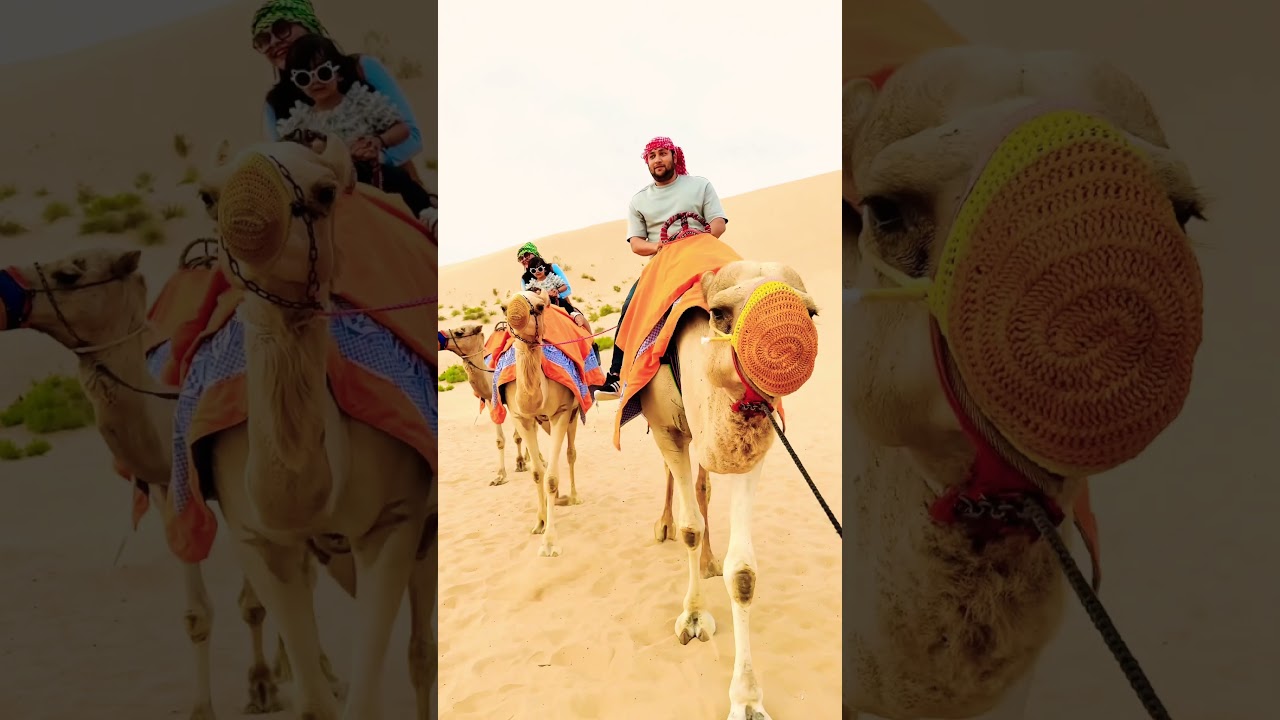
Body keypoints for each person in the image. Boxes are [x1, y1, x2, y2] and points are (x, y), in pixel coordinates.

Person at [250, 0, 437, 230]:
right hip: (329, 213)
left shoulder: (362, 68)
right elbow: (284, 168)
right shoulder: (275, 104)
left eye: (281, 29)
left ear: (307, 23)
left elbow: (412, 136)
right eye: (263, 39)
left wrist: (372, 157)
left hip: (394, 195)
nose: (274, 42)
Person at [593, 136, 728, 402]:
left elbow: (718, 224)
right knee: (630, 306)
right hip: (665, 262)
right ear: (647, 162)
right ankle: (617, 376)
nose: (658, 160)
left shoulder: (700, 185)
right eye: (652, 156)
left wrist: (694, 237)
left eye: (663, 153)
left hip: (703, 253)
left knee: (742, 284)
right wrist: (661, 245)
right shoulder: (639, 200)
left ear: (674, 156)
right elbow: (636, 243)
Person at [275, 33, 435, 219]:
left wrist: (378, 141)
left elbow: (402, 129)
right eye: (304, 78)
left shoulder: (361, 102)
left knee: (399, 179)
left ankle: (429, 216)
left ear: (338, 73)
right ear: (296, 83)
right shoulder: (300, 122)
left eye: (323, 73)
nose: (315, 81)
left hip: (375, 179)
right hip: (331, 193)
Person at [522, 254, 589, 329]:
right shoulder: (531, 284)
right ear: (531, 272)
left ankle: (574, 315)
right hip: (542, 307)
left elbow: (565, 286)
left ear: (544, 268)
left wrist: (557, 291)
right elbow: (528, 295)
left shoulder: (552, 277)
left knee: (564, 304)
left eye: (540, 269)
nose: (537, 271)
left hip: (556, 301)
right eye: (533, 270)